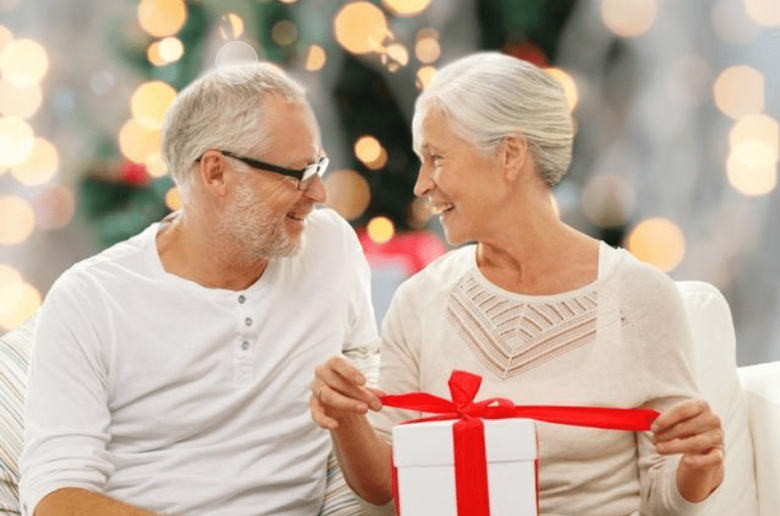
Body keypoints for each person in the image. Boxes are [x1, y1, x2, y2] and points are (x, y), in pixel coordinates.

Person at [310, 52, 724, 516]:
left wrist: (697, 465)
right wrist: (345, 420)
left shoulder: (640, 299)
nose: (422, 185)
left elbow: (666, 496)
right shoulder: (421, 299)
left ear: (509, 155)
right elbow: (385, 487)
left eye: (437, 158)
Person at [20, 63, 378, 516]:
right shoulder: (91, 299)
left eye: (319, 166)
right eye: (299, 172)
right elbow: (57, 499)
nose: (320, 193)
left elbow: (373, 413)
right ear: (216, 173)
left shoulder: (330, 249)